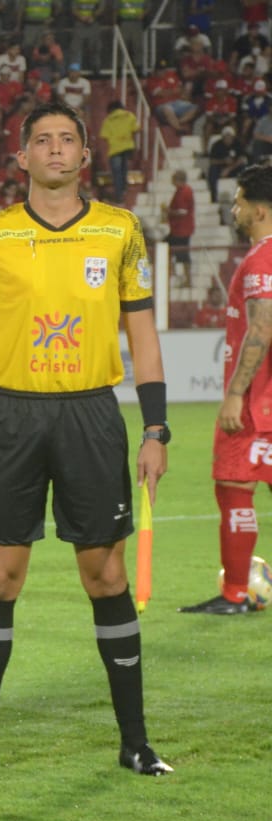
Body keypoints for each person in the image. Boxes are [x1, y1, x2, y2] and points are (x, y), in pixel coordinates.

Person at [0, 100, 172, 776]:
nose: (56, 150)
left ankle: (135, 742)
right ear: (22, 158)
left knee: (106, 574)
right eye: (42, 140)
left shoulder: (120, 231)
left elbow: (144, 340)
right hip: (10, 416)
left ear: (85, 155)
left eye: (68, 139)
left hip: (91, 414)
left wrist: (155, 429)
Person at [179, 163, 272, 614]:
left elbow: (262, 326)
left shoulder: (262, 259)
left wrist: (236, 393)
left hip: (259, 407)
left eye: (238, 202)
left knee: (234, 484)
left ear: (257, 210)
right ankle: (238, 589)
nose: (233, 209)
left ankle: (237, 592)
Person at [165, 169, 195, 289]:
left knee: (183, 255)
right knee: (167, 247)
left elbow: (183, 211)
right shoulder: (182, 191)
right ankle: (175, 274)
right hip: (178, 229)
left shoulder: (184, 192)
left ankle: (187, 279)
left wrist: (169, 212)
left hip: (182, 230)